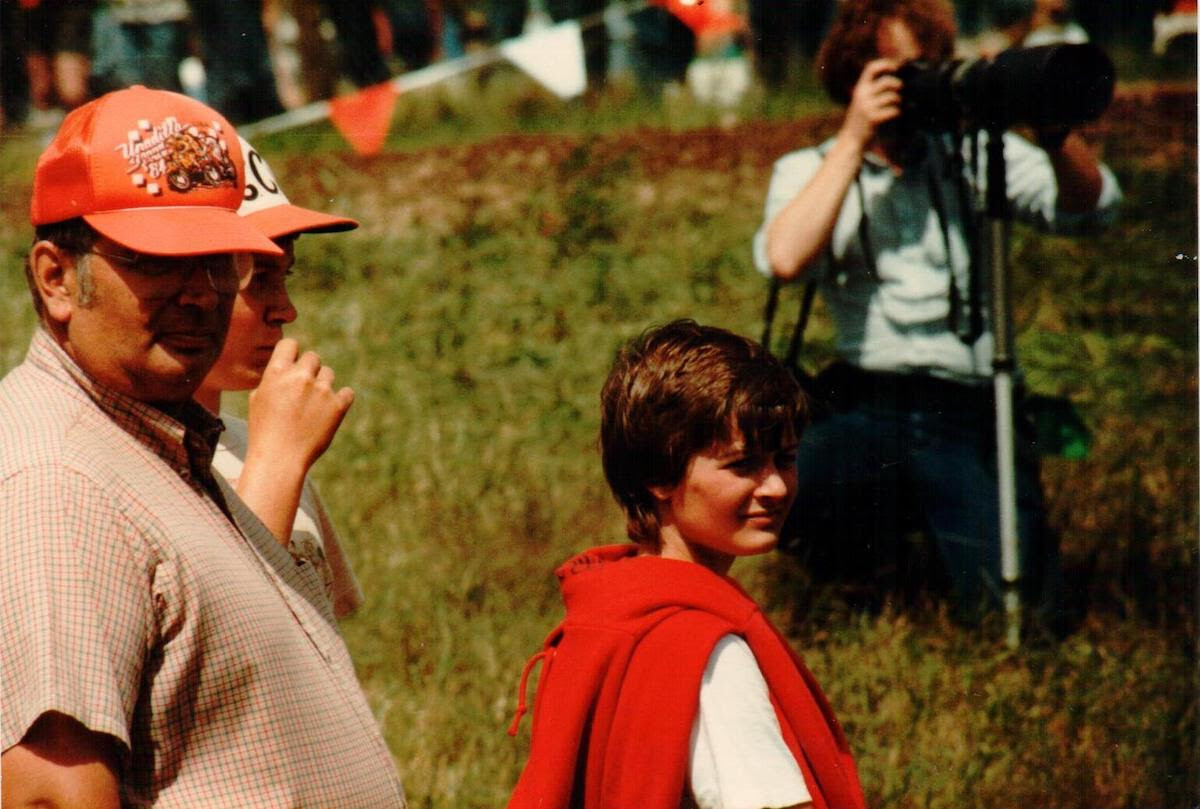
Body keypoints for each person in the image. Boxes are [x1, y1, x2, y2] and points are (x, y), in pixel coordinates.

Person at [0, 85, 406, 808]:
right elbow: (49, 794)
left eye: (220, 261)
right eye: (158, 261)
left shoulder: (154, 438)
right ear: (56, 278)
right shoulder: (57, 480)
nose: (200, 293)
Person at [753, 0, 1121, 623]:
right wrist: (854, 137)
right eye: (898, 73)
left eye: (927, 69)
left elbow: (1091, 209)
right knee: (791, 482)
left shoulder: (974, 153)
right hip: (863, 402)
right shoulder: (811, 167)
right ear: (853, 79)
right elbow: (785, 259)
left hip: (966, 405)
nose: (916, 86)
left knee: (1023, 612)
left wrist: (1052, 131)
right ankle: (862, 573)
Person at [507, 319, 867, 809]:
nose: (777, 486)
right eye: (743, 465)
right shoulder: (710, 655)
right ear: (659, 473)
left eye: (785, 458)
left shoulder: (603, 612)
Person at [195, 135, 364, 619]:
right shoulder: (274, 451)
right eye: (259, 281)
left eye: (285, 277)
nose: (286, 310)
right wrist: (279, 461)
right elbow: (235, 633)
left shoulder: (255, 444)